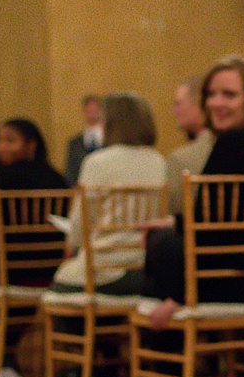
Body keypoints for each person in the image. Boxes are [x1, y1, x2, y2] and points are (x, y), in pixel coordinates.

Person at [138, 55, 244, 328]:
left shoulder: (234, 142)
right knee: (165, 238)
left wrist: (179, 296)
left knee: (160, 247)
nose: (216, 103)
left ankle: (170, 364)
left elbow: (210, 229)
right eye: (211, 94)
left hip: (231, 277)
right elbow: (226, 219)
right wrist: (175, 222)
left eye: (229, 95)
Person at [51, 93, 165, 294]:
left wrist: (72, 247)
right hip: (147, 267)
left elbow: (79, 227)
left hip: (105, 269)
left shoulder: (97, 162)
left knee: (57, 289)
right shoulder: (160, 161)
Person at [0, 118, 69, 288]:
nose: (2, 147)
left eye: (10, 141)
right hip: (54, 270)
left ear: (31, 144)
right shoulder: (57, 180)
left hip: (6, 273)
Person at [162, 75, 214, 207]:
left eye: (178, 103)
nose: (174, 111)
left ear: (199, 105)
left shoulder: (180, 160)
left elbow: (175, 212)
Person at [63, 95, 105, 184]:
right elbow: (71, 171)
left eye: (95, 110)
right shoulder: (75, 142)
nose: (92, 114)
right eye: (89, 110)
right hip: (83, 190)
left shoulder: (110, 139)